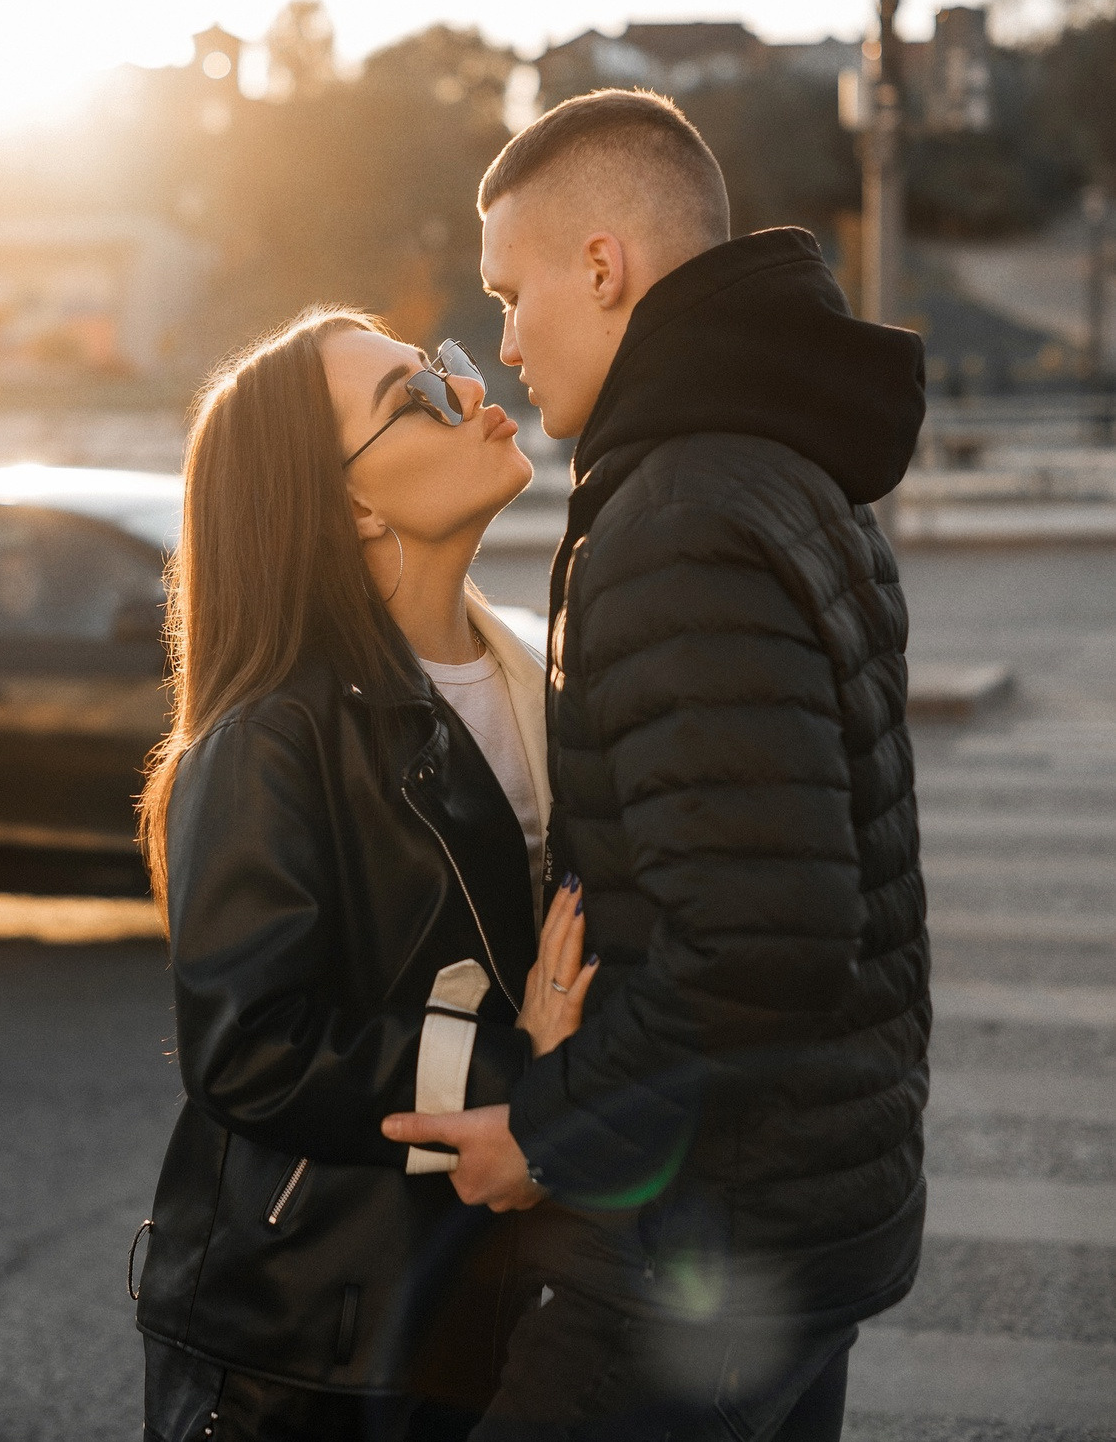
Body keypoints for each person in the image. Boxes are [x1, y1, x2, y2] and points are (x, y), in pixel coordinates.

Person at [382, 88, 931, 1440]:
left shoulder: (677, 512)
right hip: (793, 1207)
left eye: (509, 295)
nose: (505, 344)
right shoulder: (772, 465)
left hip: (699, 1237)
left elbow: (760, 939)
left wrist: (545, 1131)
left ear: (601, 265)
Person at [130, 308, 597, 1442]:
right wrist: (519, 1067)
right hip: (304, 1346)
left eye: (444, 367)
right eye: (416, 396)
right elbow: (250, 1048)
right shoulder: (271, 735)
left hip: (475, 1296)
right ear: (351, 507)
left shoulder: (537, 679)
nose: (468, 389)